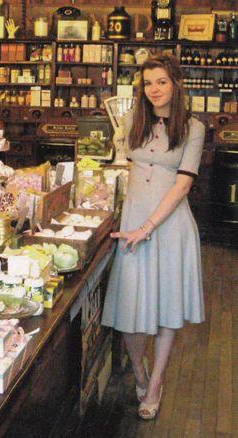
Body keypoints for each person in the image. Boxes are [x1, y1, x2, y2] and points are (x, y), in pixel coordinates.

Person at [101, 54, 205, 420]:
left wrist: (147, 228)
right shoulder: (135, 120)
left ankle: (155, 382)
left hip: (168, 226)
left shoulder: (193, 127)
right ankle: (140, 371)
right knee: (130, 308)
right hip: (132, 220)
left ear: (176, 83)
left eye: (161, 81)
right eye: (148, 83)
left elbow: (183, 183)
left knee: (164, 310)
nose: (155, 89)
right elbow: (122, 162)